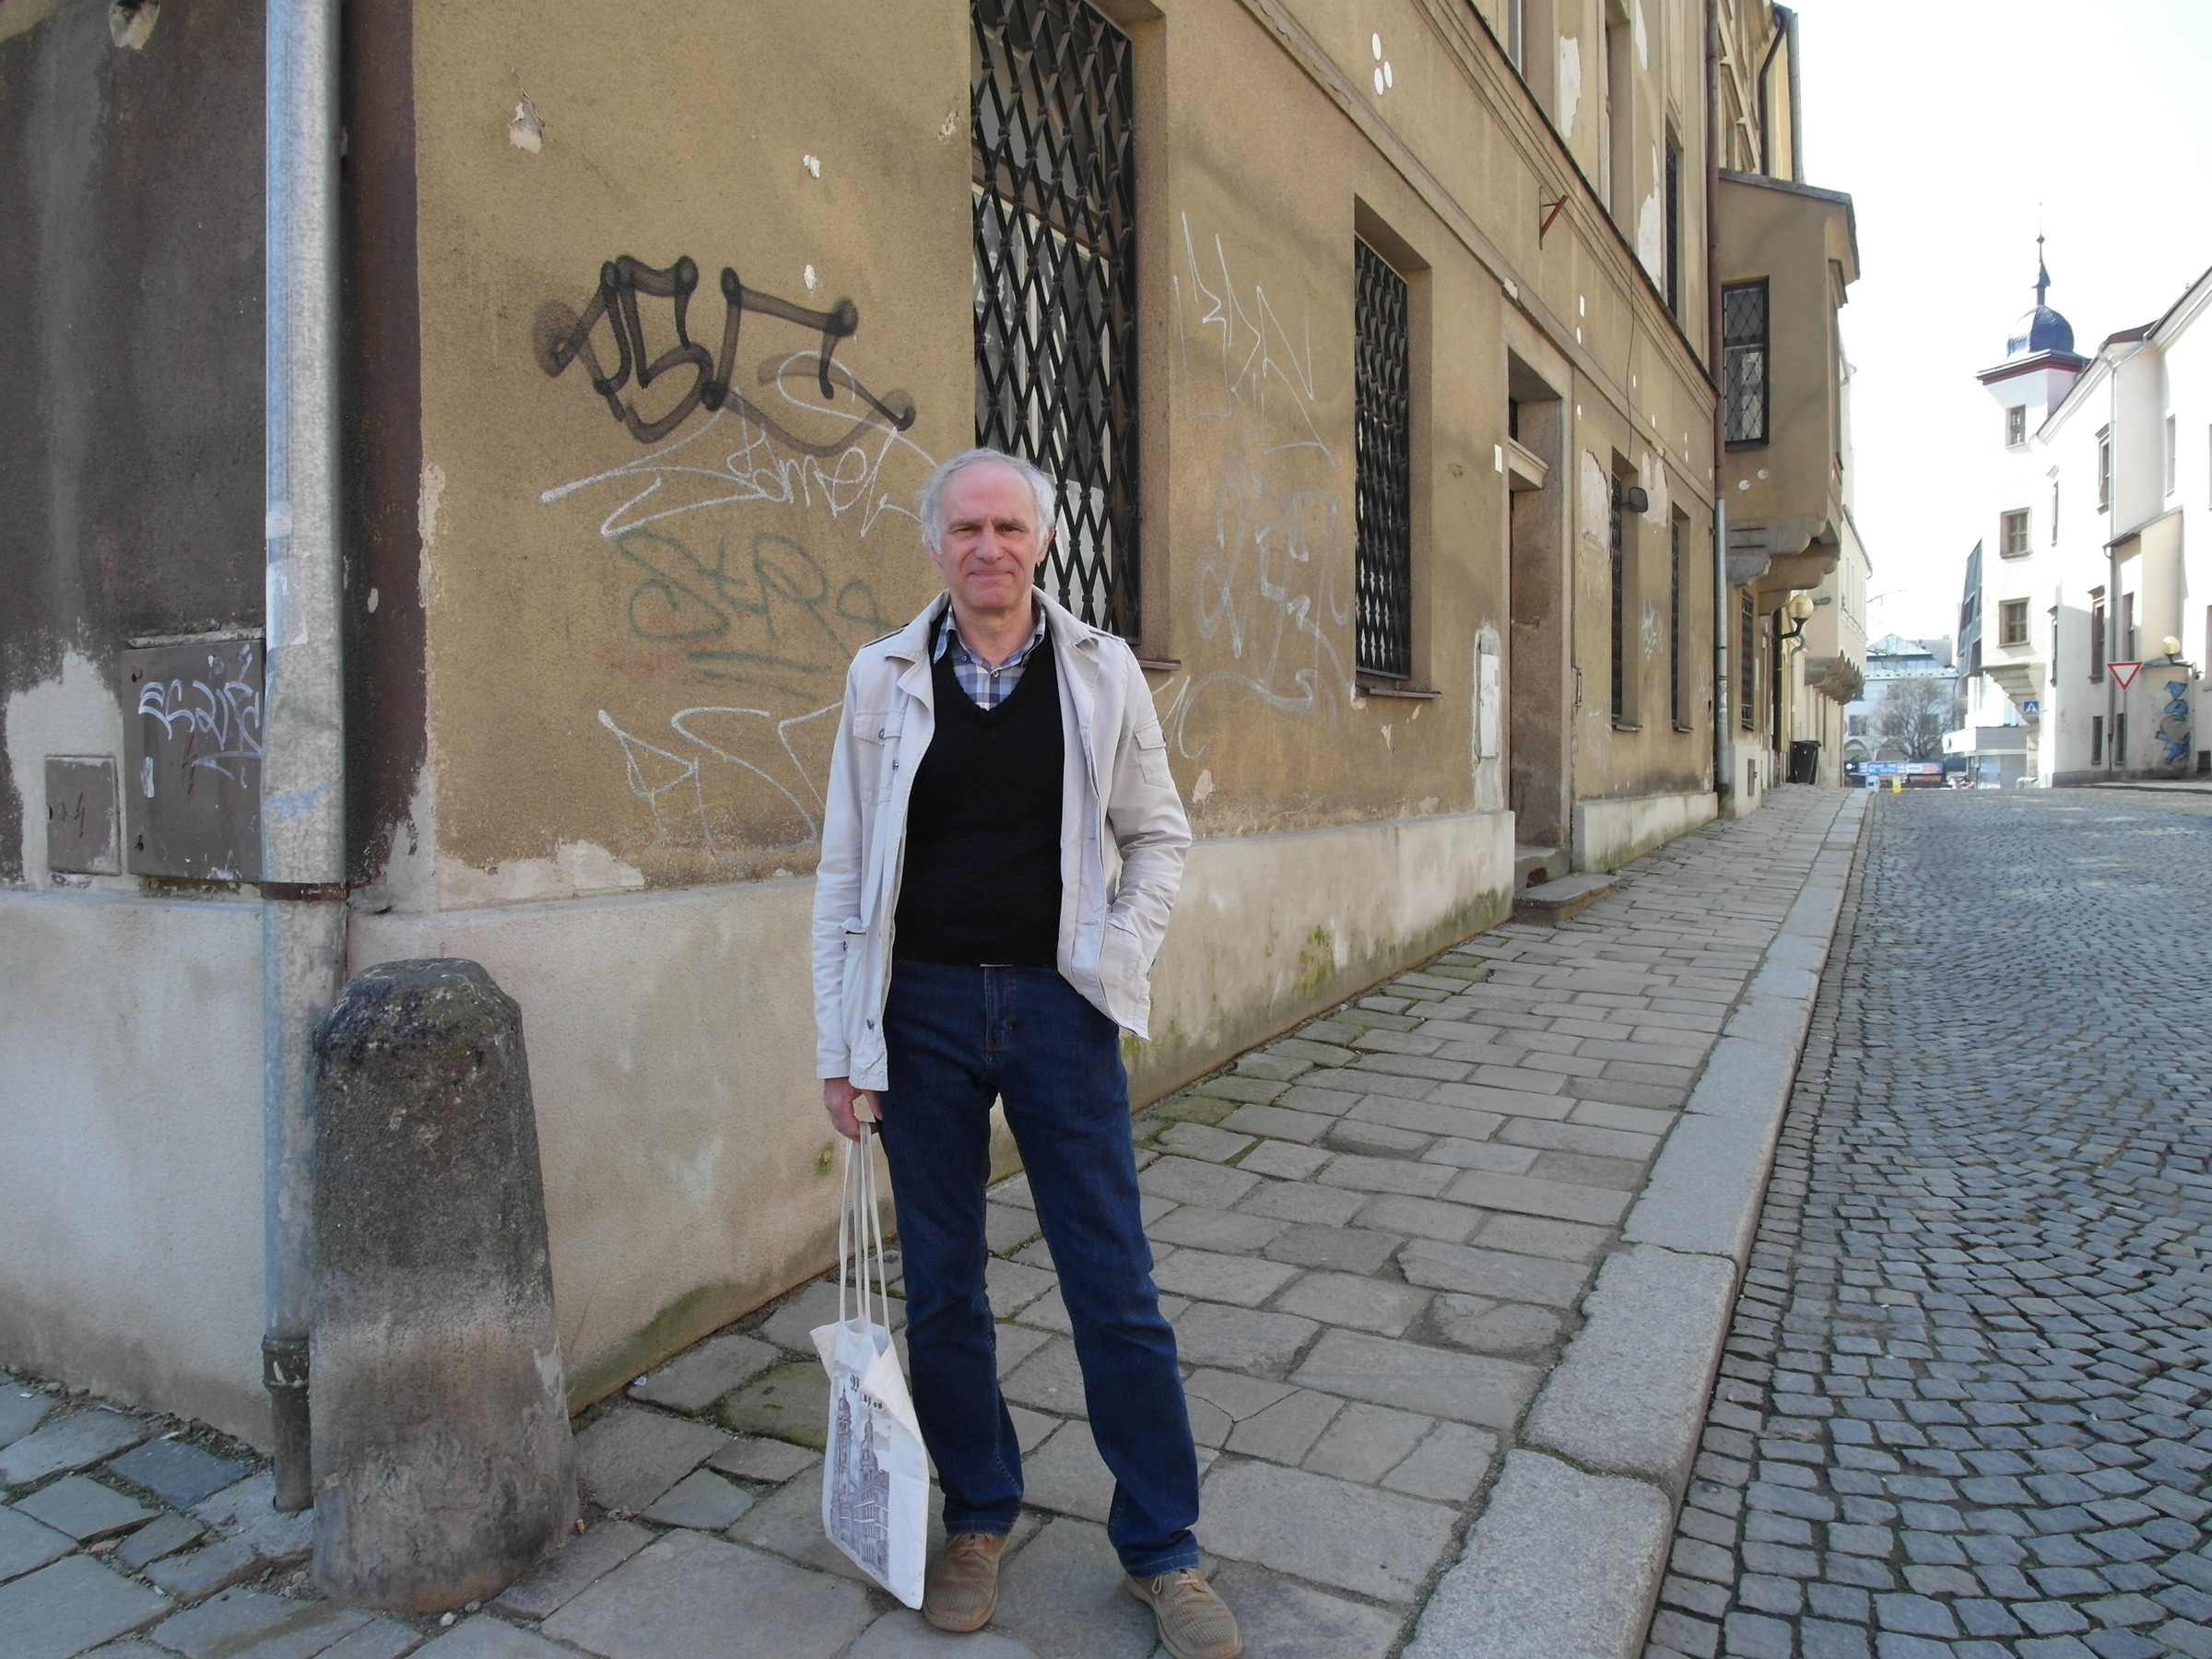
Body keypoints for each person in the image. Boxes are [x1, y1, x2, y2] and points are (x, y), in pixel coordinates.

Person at [811, 448, 1239, 1659]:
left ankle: (1163, 1547)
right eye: (966, 529)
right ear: (935, 543)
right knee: (945, 1284)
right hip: (922, 1014)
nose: (988, 547)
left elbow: (1159, 837)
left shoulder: (1101, 670)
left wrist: (1114, 954)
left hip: (1061, 1013)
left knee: (1114, 1283)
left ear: (1042, 541)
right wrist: (842, 1045)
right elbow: (845, 867)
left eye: (1008, 526)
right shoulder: (882, 677)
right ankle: (978, 1516)